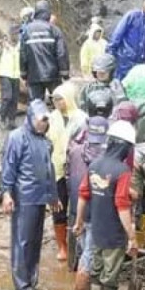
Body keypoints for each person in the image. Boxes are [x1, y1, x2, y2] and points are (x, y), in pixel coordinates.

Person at [74, 120, 137, 290]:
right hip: (113, 233)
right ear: (125, 148)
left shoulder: (95, 165)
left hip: (97, 229)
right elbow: (122, 206)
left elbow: (83, 194)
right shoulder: (122, 171)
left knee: (96, 273)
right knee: (110, 277)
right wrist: (132, 236)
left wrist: (79, 222)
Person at [2, 100, 59, 290]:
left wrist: (53, 195)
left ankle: (31, 281)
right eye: (40, 120)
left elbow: (48, 168)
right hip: (24, 197)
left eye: (46, 120)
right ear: (31, 118)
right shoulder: (17, 137)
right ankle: (22, 287)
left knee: (35, 242)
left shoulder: (45, 140)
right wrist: (6, 193)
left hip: (40, 197)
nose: (43, 124)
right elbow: (9, 166)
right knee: (22, 241)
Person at [67, 116, 109, 290]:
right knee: (90, 254)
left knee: (85, 250)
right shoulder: (105, 157)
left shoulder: (75, 151)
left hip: (77, 208)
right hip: (94, 211)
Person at [48, 83, 88, 263]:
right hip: (56, 167)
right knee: (58, 207)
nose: (57, 103)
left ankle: (78, 243)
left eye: (60, 99)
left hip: (76, 168)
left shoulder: (81, 118)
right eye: (55, 100)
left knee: (78, 205)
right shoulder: (52, 118)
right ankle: (62, 245)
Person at [19, 1, 69, 103]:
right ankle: (57, 118)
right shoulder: (54, 30)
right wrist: (64, 72)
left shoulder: (27, 31)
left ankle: (37, 118)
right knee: (58, 102)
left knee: (35, 105)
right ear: (48, 13)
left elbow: (23, 54)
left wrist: (23, 73)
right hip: (53, 75)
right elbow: (61, 53)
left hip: (34, 75)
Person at [108, 0, 145, 80]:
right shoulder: (133, 16)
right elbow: (117, 36)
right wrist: (110, 55)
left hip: (141, 65)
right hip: (124, 62)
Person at [78, 54, 126, 118]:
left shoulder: (116, 86)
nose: (101, 74)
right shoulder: (88, 87)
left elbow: (121, 104)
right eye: (98, 72)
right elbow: (82, 105)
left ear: (111, 72)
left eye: (104, 72)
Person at [0, 25, 21, 130]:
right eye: (15, 33)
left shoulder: (20, 45)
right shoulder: (2, 44)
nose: (17, 35)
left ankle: (11, 120)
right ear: (11, 33)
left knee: (14, 99)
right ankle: (2, 118)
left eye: (18, 33)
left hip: (16, 74)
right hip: (5, 73)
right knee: (7, 97)